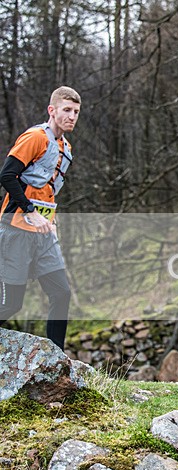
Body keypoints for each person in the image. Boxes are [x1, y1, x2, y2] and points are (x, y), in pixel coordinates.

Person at [0, 86, 81, 350]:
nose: (71, 116)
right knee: (12, 304)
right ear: (52, 110)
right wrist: (30, 212)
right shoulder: (35, 137)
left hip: (44, 234)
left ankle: (54, 358)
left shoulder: (66, 148)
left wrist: (51, 223)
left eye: (76, 112)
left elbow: (47, 193)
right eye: (66, 110)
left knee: (61, 293)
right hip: (16, 228)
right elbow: (7, 176)